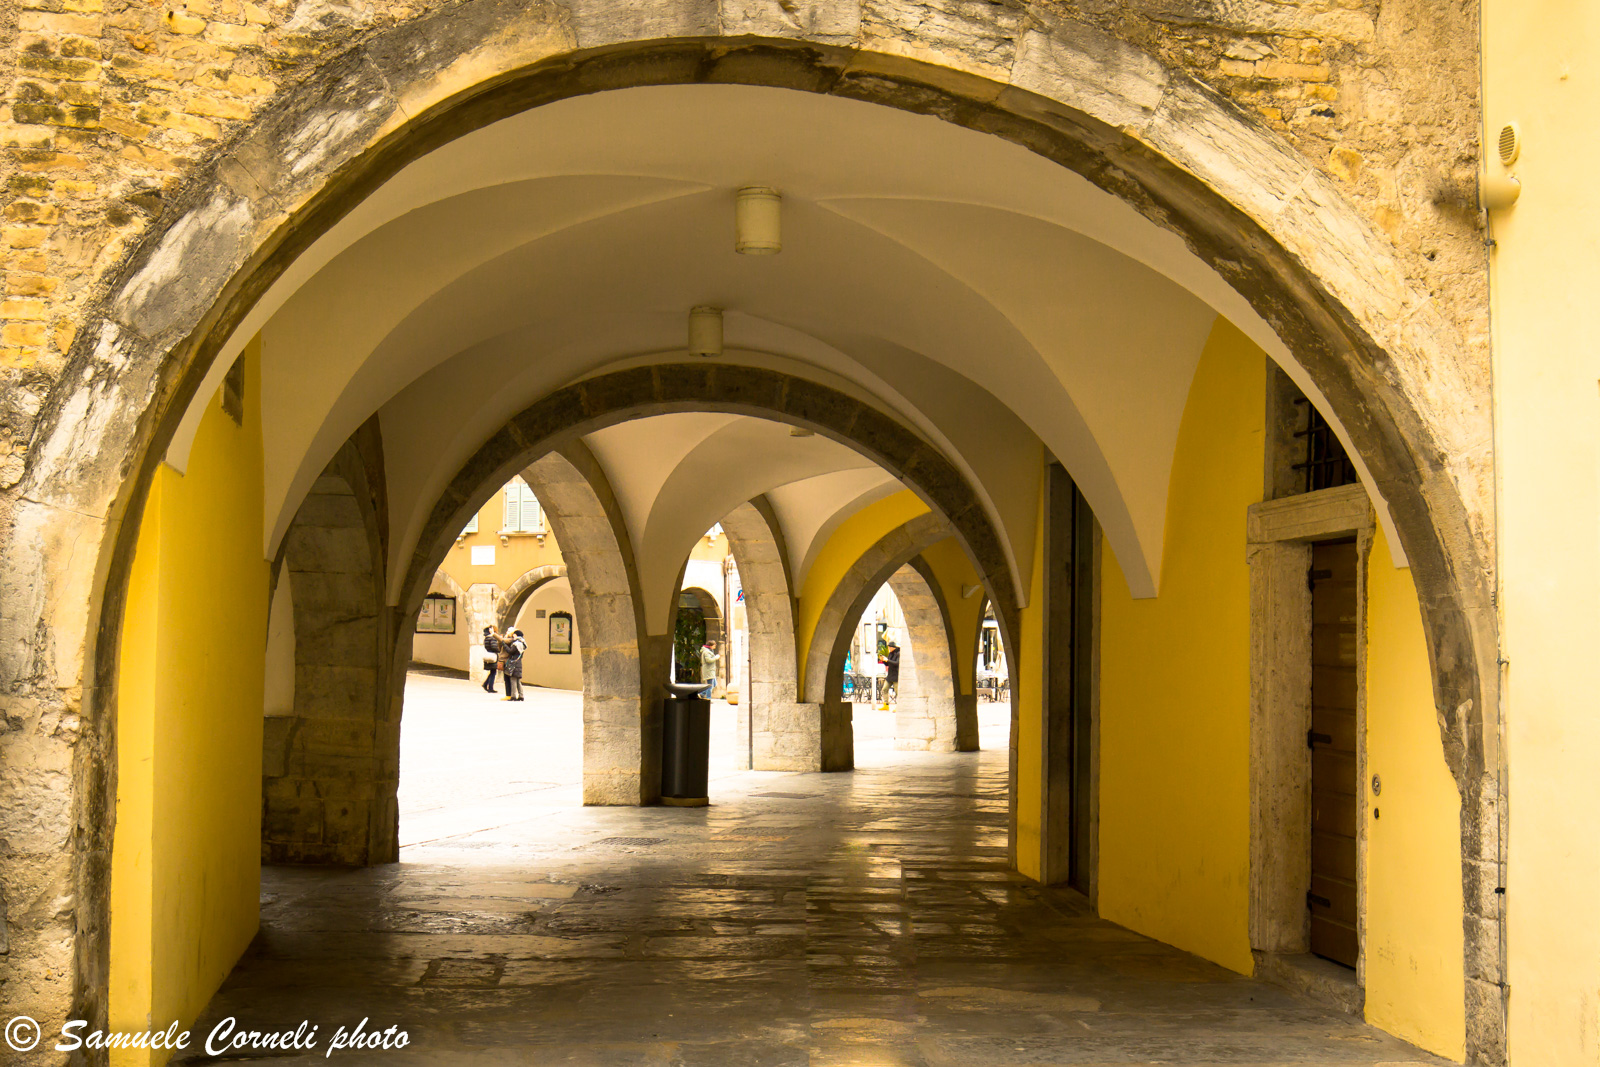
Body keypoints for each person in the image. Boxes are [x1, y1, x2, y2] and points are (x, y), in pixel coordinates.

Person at [501, 629, 527, 701]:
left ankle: (513, 696)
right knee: (517, 681)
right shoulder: (522, 643)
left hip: (514, 663)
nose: (513, 636)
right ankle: (521, 696)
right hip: (518, 662)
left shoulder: (516, 644)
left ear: (516, 635)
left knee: (513, 680)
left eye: (514, 634)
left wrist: (504, 644)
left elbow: (510, 651)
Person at [481, 626, 502, 693]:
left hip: (488, 655)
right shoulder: (492, 638)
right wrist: (499, 650)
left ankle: (485, 684)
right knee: (493, 672)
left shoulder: (486, 638)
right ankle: (490, 687)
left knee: (492, 672)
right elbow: (494, 647)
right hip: (493, 656)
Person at [884, 641, 901, 707]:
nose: (888, 648)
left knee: (897, 692)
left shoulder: (898, 653)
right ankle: (886, 704)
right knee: (884, 689)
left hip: (896, 676)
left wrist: (888, 660)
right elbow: (888, 664)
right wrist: (884, 661)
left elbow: (897, 663)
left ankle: (898, 706)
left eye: (889, 647)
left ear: (893, 647)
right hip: (890, 675)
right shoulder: (890, 654)